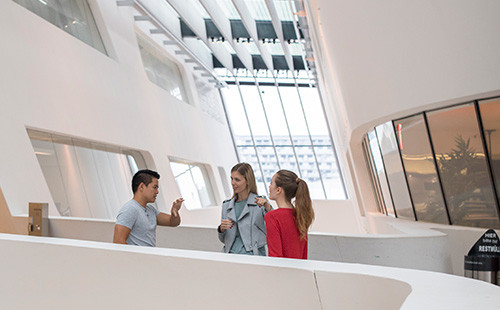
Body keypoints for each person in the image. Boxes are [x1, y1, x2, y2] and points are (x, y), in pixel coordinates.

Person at [113, 169, 183, 247]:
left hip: (149, 257)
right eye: (155, 187)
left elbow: (173, 222)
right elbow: (118, 242)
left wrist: (175, 211)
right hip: (140, 258)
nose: (157, 192)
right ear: (142, 187)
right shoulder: (129, 209)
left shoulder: (151, 210)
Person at [218, 163, 272, 255]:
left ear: (247, 181)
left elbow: (275, 223)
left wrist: (267, 206)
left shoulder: (260, 203)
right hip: (229, 255)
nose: (233, 183)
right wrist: (221, 229)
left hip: (253, 256)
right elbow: (223, 239)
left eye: (237, 180)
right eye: (232, 179)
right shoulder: (226, 206)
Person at [265, 170, 314, 259]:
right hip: (300, 271)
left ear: (278, 190)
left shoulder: (272, 217)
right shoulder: (301, 215)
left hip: (282, 272)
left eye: (271, 183)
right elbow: (303, 255)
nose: (269, 187)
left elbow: (275, 256)